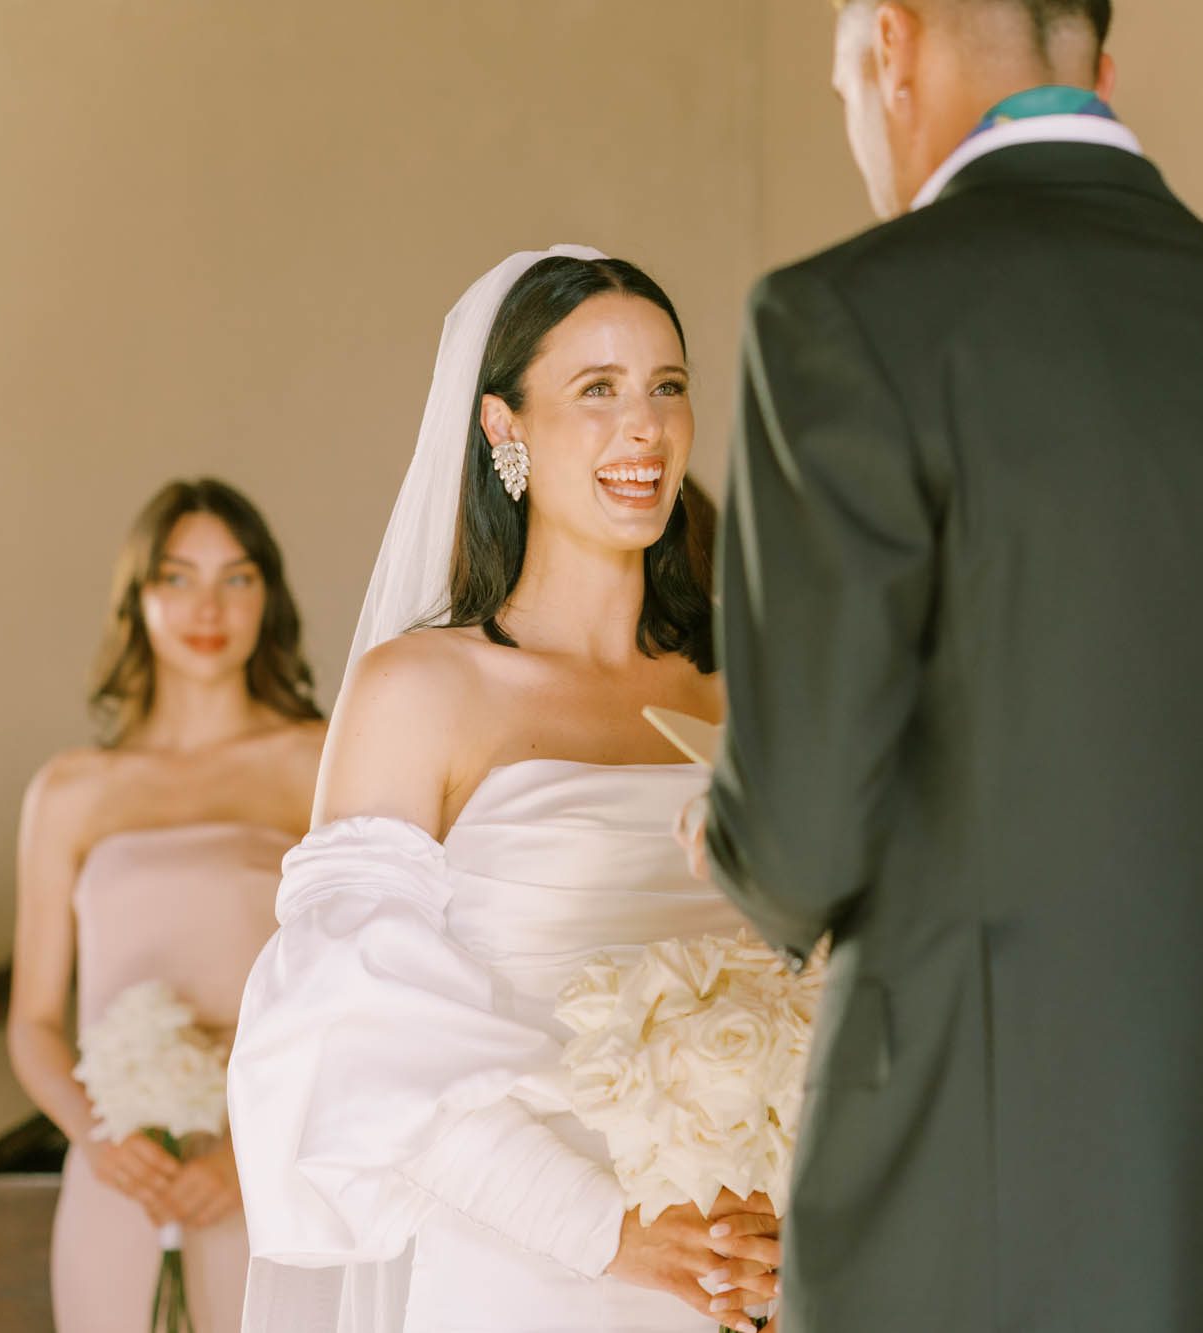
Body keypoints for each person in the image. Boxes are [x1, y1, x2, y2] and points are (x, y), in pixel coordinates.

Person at [693, 1, 1203, 1328]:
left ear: (895, 46)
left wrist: (727, 832)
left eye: (843, 88)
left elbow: (799, 840)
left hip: (975, 1206)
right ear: (1095, 61)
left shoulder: (842, 321)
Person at [230, 248, 775, 1333]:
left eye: (668, 387)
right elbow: (350, 1030)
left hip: (745, 1258)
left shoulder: (752, 687)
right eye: (597, 391)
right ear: (500, 428)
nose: (645, 429)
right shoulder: (421, 691)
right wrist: (601, 1230)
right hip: (531, 1271)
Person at [8, 479, 327, 1333]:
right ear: (136, 597)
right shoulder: (70, 790)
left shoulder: (320, 761)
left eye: (237, 577)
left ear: (270, 595)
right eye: (177, 577)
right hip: (116, 1176)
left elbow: (361, 991)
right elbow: (34, 1022)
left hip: (271, 1157)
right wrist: (101, 1140)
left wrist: (249, 1154)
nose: (207, 605)